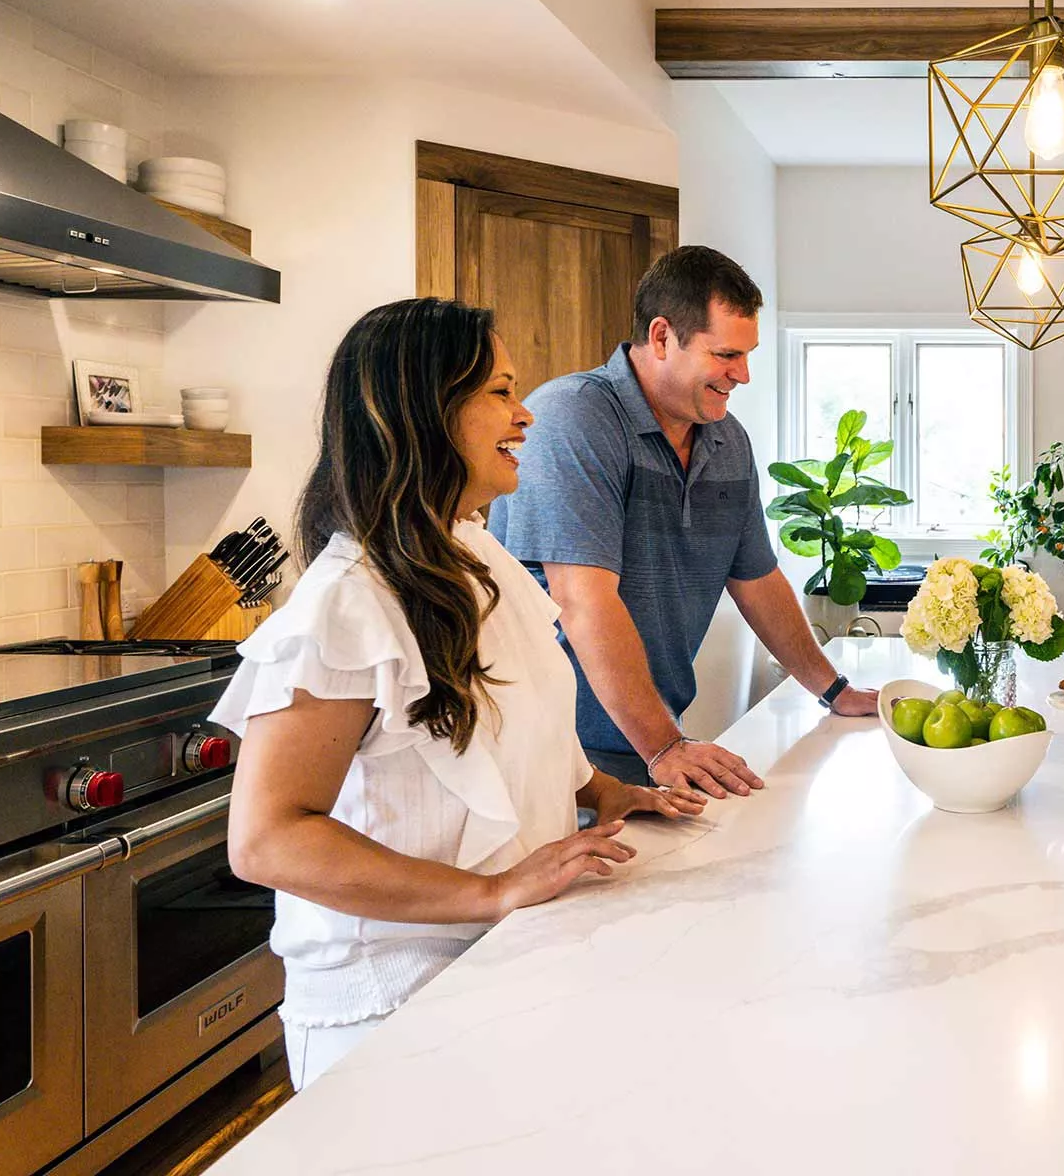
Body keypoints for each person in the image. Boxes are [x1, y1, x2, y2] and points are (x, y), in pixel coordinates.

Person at [218, 299, 702, 1092]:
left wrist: (613, 793)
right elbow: (268, 840)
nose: (525, 416)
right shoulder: (345, 602)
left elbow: (527, 716)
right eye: (500, 393)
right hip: (390, 1010)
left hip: (500, 964)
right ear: (424, 411)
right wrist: (493, 890)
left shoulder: (475, 549)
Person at [488, 246, 876, 798]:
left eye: (747, 355)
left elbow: (757, 579)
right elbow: (583, 601)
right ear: (663, 336)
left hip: (647, 741)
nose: (742, 374)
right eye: (725, 355)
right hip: (554, 748)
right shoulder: (574, 418)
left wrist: (833, 689)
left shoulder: (727, 439)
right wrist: (665, 748)